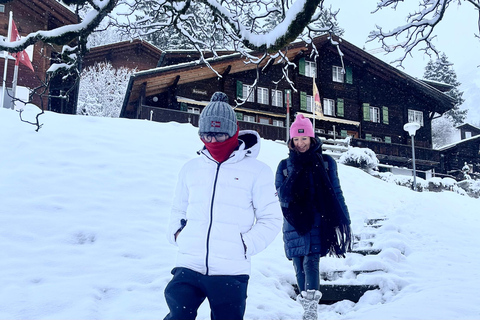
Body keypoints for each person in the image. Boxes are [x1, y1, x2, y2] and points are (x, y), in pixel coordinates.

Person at [164, 91, 282, 320]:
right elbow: (178, 208)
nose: (212, 141)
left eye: (218, 135)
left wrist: (244, 245)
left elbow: (271, 218)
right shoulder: (191, 168)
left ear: (233, 131)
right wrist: (178, 235)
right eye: (206, 135)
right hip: (188, 265)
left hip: (230, 271)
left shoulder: (257, 172)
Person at [275, 114, 352, 320]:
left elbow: (335, 190)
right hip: (293, 221)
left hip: (318, 219)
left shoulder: (325, 162)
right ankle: (306, 305)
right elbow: (282, 197)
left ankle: (311, 309)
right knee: (298, 263)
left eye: (304, 138)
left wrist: (344, 217)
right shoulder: (284, 166)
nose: (301, 143)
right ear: (291, 141)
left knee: (311, 261)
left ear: (312, 139)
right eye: (296, 140)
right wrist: (294, 176)